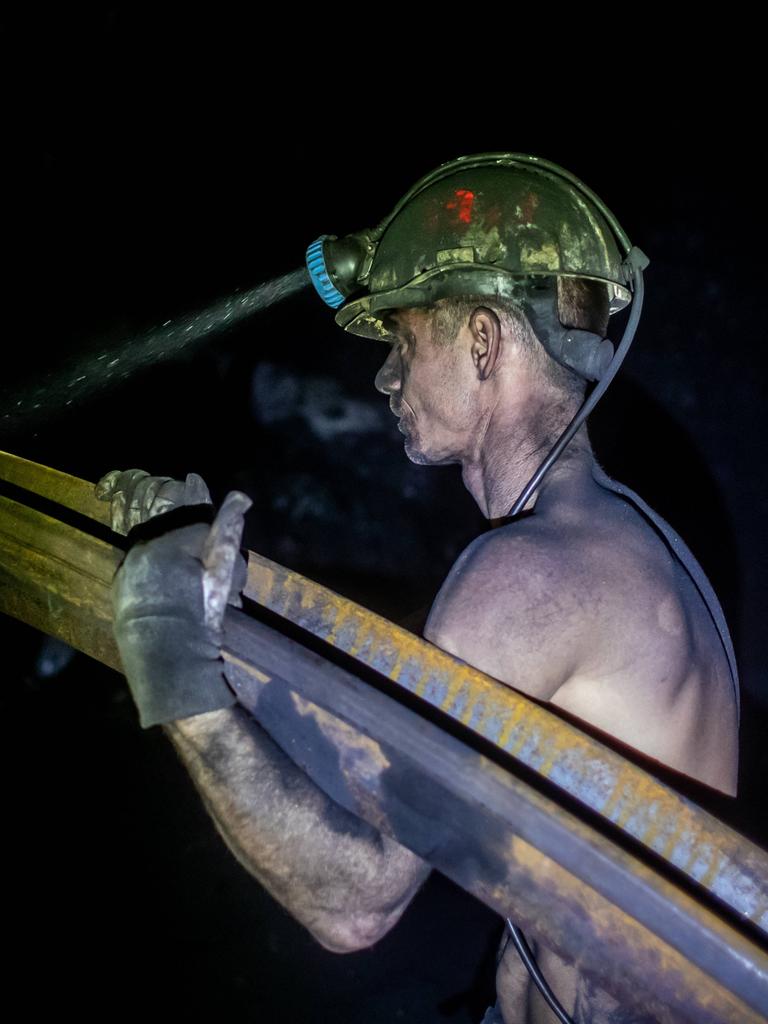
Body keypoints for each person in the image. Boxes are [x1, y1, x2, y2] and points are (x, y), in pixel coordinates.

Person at [96, 154, 740, 1024]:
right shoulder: (623, 547)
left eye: (402, 342)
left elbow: (355, 899)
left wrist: (167, 651)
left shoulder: (531, 574)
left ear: (483, 341)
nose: (385, 378)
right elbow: (365, 767)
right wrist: (223, 611)